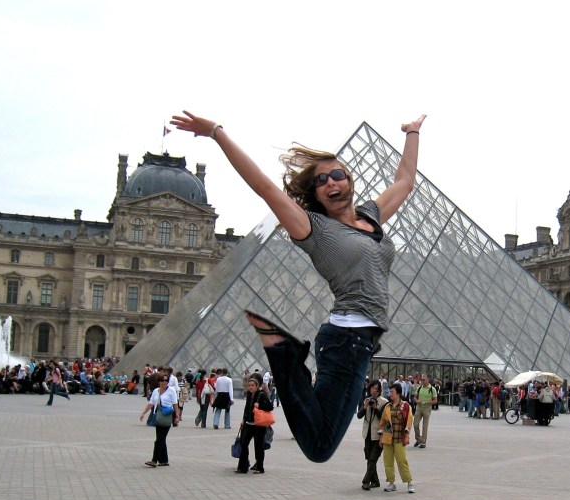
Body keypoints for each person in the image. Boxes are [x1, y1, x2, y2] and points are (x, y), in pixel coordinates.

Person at [171, 110, 425, 463]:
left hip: (357, 341)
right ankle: (286, 354)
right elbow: (264, 187)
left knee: (319, 431)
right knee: (319, 447)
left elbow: (406, 181)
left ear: (350, 180)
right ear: (316, 194)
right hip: (346, 340)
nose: (332, 182)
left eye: (338, 174)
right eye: (322, 181)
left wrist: (412, 133)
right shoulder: (313, 229)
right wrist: (217, 132)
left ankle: (288, 356)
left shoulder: (371, 216)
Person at [378, 382, 415, 493]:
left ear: (398, 393)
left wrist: (407, 435)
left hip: (400, 438)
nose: (390, 394)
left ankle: (409, 482)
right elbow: (382, 423)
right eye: (390, 392)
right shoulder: (387, 407)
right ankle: (391, 483)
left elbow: (409, 421)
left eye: (392, 392)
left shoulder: (406, 406)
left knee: (402, 460)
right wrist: (381, 438)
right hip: (388, 438)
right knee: (388, 461)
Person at [235, 372, 274, 474]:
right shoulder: (249, 394)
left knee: (259, 446)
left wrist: (259, 406)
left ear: (257, 386)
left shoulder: (261, 395)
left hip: (259, 425)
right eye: (249, 385)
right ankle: (243, 467)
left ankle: (260, 468)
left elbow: (270, 407)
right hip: (248, 423)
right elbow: (247, 407)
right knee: (244, 444)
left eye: (252, 385)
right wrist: (243, 419)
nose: (250, 387)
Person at [138, 375, 180, 467]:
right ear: (159, 382)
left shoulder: (171, 390)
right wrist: (143, 413)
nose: (165, 382)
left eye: (167, 380)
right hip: (158, 416)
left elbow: (175, 404)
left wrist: (177, 416)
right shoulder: (156, 391)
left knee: (158, 441)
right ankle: (164, 460)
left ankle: (154, 460)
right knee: (161, 439)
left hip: (167, 416)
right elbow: (151, 403)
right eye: (163, 380)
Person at [357, 380, 387, 490]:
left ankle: (366, 481)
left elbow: (384, 419)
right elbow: (359, 416)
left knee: (372, 459)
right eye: (372, 388)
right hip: (367, 435)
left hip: (379, 436)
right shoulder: (366, 400)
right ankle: (375, 481)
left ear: (379, 390)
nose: (374, 390)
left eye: (376, 388)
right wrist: (365, 406)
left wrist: (375, 408)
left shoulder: (384, 402)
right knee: (369, 458)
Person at [412, 374, 437, 447]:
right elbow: (415, 397)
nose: (422, 381)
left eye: (423, 380)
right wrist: (417, 401)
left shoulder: (432, 389)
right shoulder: (419, 388)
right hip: (418, 409)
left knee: (425, 426)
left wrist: (427, 402)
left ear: (428, 380)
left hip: (427, 409)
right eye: (421, 379)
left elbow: (435, 401)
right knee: (415, 424)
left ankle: (423, 442)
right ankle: (418, 439)